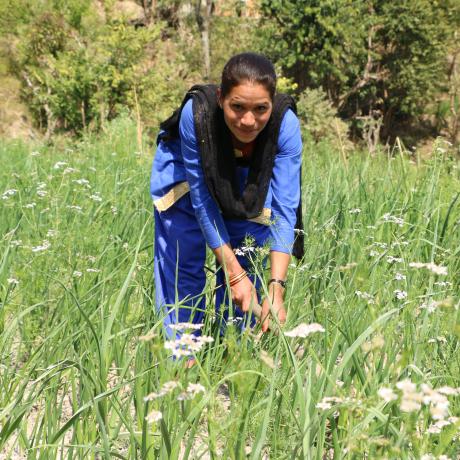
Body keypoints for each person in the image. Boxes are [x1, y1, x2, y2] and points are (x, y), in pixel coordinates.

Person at [150, 52, 303, 341]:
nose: (248, 120)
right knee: (184, 266)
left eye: (260, 109)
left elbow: (285, 211)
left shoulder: (286, 126)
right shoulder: (197, 116)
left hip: (246, 175)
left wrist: (275, 288)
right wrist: (232, 272)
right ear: (221, 98)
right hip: (185, 180)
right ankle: (183, 362)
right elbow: (203, 202)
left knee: (247, 255)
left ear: (272, 104)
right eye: (237, 107)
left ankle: (232, 354)